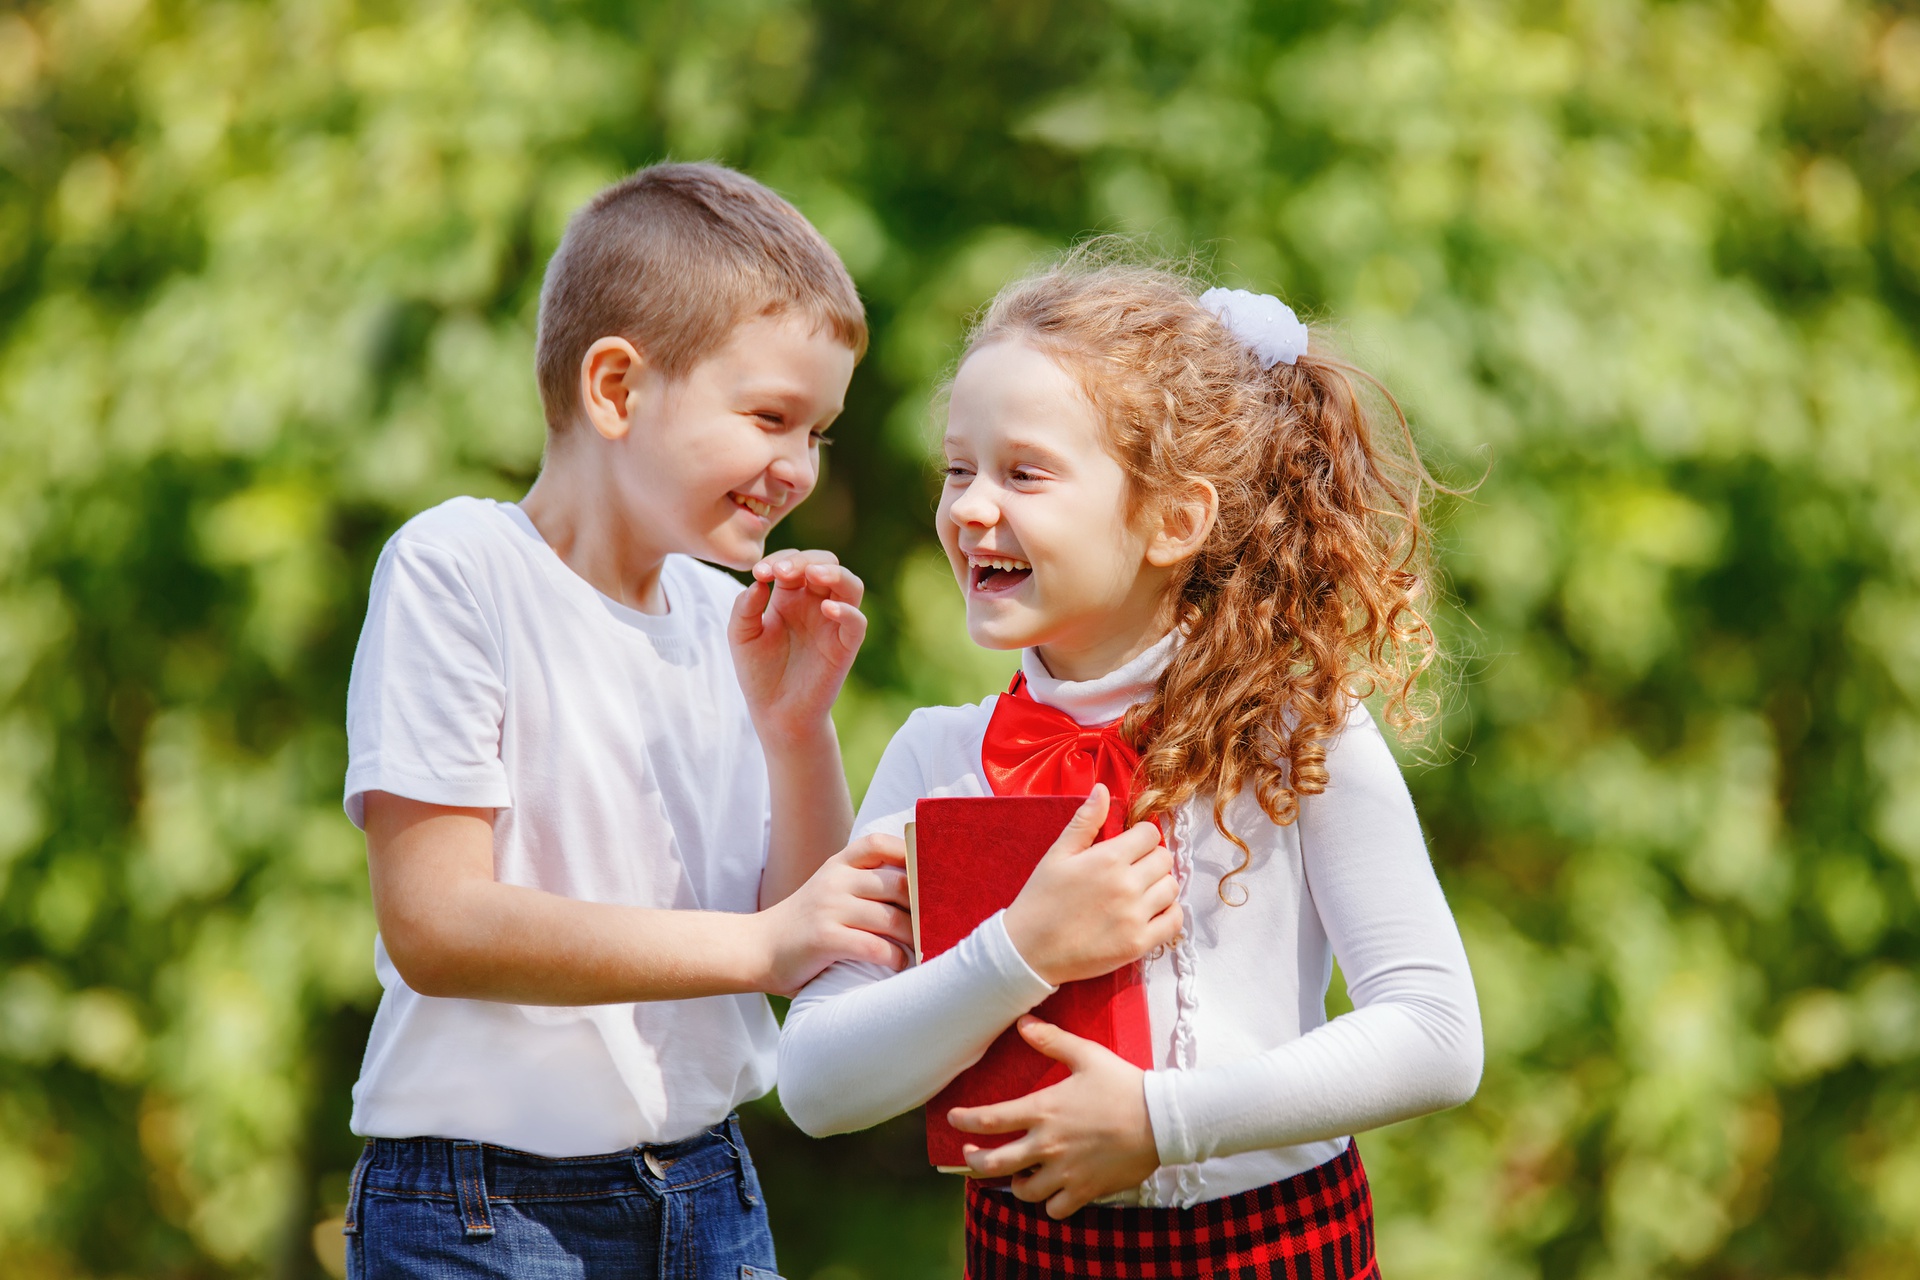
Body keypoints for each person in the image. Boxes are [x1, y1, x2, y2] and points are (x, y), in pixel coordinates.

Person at [776, 252, 1484, 1278]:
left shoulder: (1296, 734)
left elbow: (1435, 1033)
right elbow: (817, 1081)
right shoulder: (937, 754)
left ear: (1174, 520)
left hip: (1280, 1248)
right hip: (1029, 1253)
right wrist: (1019, 949)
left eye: (1024, 471)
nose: (972, 506)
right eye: (957, 468)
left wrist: (1163, 1119)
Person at [339, 162, 911, 1279]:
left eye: (821, 433)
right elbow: (436, 921)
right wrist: (758, 943)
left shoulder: (723, 616)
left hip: (709, 1192)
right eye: (770, 417)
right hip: (481, 1213)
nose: (798, 468)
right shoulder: (458, 568)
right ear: (615, 388)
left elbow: (809, 945)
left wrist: (799, 730)